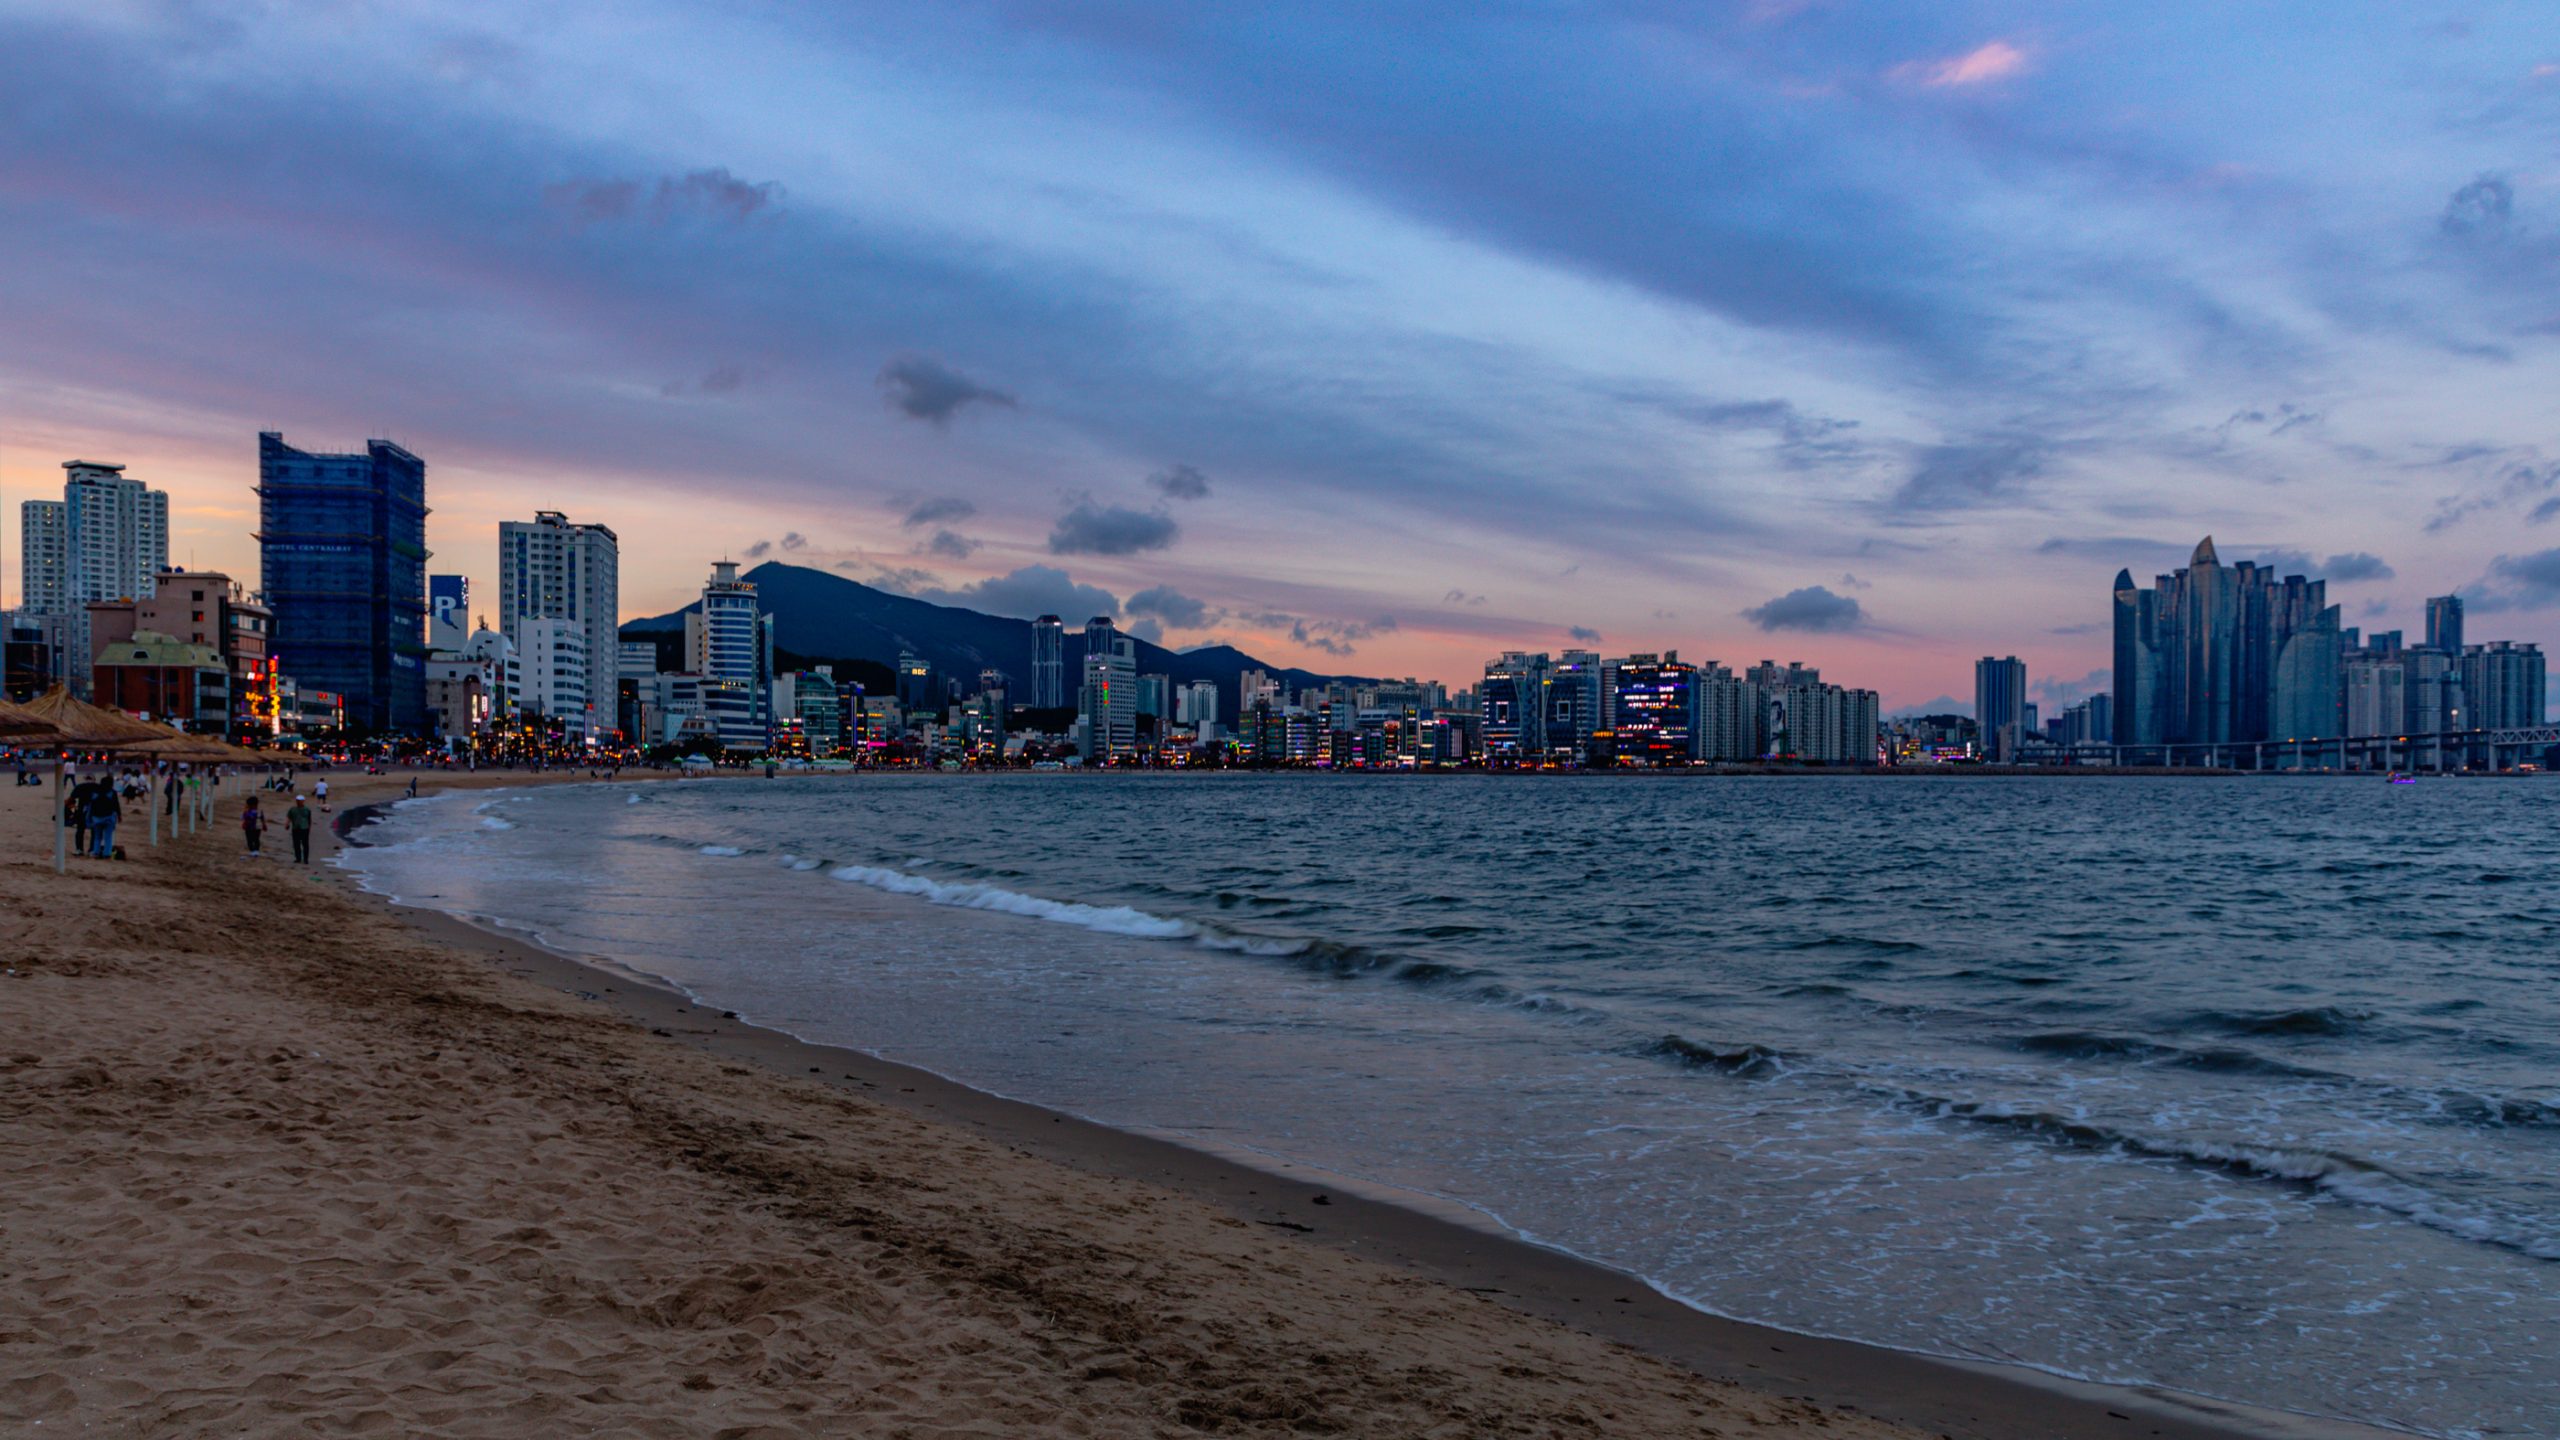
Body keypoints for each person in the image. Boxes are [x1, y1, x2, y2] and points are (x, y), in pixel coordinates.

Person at [88, 779, 121, 859]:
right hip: (108, 817)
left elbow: (91, 805)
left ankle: (96, 852)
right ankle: (107, 853)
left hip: (96, 818)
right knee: (108, 837)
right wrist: (119, 815)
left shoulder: (95, 792)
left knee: (97, 837)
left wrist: (90, 817)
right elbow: (116, 805)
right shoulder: (112, 792)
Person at [286, 794, 314, 864]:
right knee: (296, 844)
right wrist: (287, 824)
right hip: (296, 828)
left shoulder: (307, 810)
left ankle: (305, 859)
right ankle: (298, 858)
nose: (299, 802)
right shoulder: (293, 809)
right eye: (298, 800)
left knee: (305, 844)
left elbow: (309, 819)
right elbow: (289, 817)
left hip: (304, 828)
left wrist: (309, 828)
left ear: (303, 801)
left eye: (300, 800)